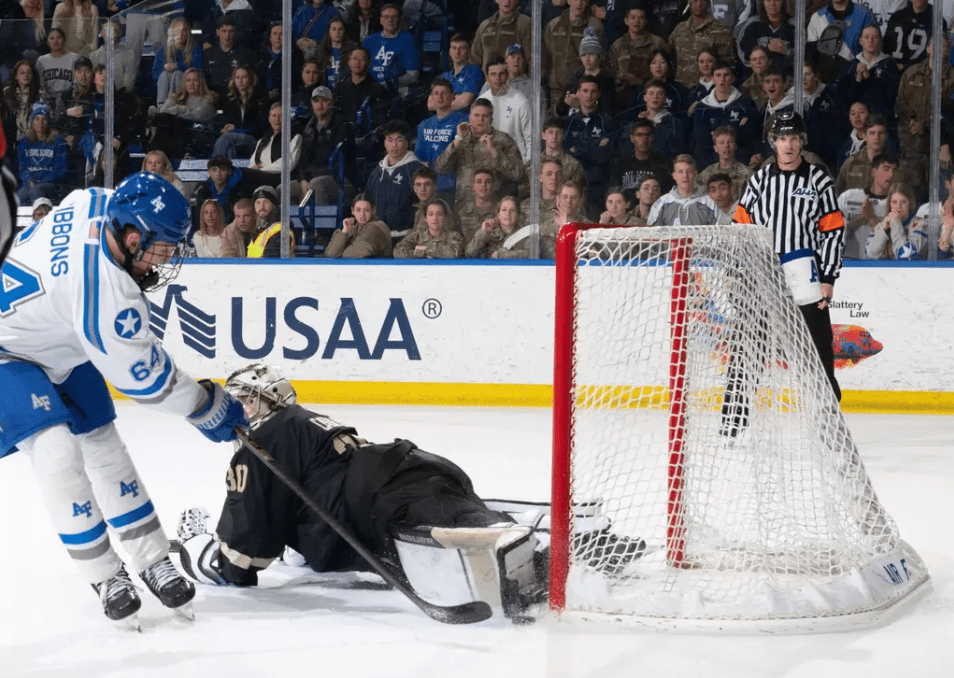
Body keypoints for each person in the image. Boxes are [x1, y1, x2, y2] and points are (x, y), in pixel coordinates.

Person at [176, 364, 640, 618]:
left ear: (262, 402)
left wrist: (199, 545)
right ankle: (588, 539)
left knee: (481, 542)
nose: (242, 410)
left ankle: (556, 556)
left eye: (246, 399)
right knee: (465, 516)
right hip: (413, 467)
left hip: (382, 495)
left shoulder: (263, 441)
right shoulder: (305, 426)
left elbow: (239, 558)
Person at [0, 172, 248, 625]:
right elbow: (151, 383)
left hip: (57, 337)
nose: (166, 258)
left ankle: (153, 558)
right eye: (162, 248)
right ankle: (105, 574)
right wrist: (207, 407)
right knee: (56, 451)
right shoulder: (103, 295)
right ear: (132, 237)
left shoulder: (98, 201)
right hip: (6, 349)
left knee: (103, 443)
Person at [726, 111, 844, 440]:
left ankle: (829, 423)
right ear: (773, 142)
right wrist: (736, 273)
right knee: (747, 349)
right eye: (782, 138)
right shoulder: (760, 179)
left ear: (802, 141)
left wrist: (829, 278)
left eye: (794, 138)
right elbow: (740, 227)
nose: (788, 145)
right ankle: (733, 424)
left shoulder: (819, 180)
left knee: (818, 352)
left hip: (805, 274)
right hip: (762, 272)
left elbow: (833, 231)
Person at [435, 97, 525, 206]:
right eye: (476, 115)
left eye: (485, 116)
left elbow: (518, 173)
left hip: (494, 209)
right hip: (465, 210)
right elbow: (441, 168)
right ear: (470, 118)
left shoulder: (504, 140)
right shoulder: (460, 139)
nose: (480, 120)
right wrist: (457, 141)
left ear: (491, 119)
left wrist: (494, 152)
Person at [689, 61, 760, 169]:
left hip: (741, 164)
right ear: (712, 78)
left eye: (726, 75)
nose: (722, 79)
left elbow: (751, 138)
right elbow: (701, 143)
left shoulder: (746, 104)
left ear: (732, 78)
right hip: (711, 166)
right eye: (718, 75)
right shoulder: (701, 108)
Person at [564, 75, 616, 219]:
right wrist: (596, 148)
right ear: (578, 93)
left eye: (593, 91)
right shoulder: (568, 123)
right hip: (572, 187)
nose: (589, 95)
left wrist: (578, 150)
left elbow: (605, 156)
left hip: (597, 188)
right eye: (585, 91)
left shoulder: (607, 121)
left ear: (598, 94)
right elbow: (566, 154)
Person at [364, 119, 423, 241]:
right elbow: (368, 202)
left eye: (399, 139)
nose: (394, 145)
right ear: (385, 143)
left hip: (408, 237)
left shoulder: (416, 170)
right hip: (380, 237)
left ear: (406, 142)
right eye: (390, 140)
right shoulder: (376, 173)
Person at [543, 0, 606, 113]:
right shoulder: (554, 25)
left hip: (582, 88)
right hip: (557, 88)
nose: (579, 3)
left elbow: (600, 57)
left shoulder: (595, 25)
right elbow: (548, 55)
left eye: (583, 0)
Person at [416, 79, 469, 203]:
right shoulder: (425, 125)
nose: (440, 97)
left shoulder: (463, 121)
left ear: (452, 96)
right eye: (436, 93)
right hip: (432, 188)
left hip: (456, 186)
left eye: (444, 93)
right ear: (432, 97)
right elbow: (421, 157)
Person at [838, 153, 898, 259]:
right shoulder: (848, 197)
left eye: (894, 170)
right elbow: (832, 232)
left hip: (877, 267)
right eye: (886, 169)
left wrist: (872, 221)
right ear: (873, 172)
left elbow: (896, 243)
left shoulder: (897, 205)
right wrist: (860, 220)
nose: (890, 175)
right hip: (848, 264)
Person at [608, 5, 668, 108]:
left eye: (641, 18)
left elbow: (667, 71)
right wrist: (622, 76)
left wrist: (641, 82)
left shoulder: (657, 43)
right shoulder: (617, 46)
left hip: (652, 97)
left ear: (645, 21)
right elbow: (611, 72)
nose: (637, 21)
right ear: (626, 21)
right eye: (633, 17)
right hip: (622, 98)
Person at [667, 0, 736, 88]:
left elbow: (727, 65)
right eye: (695, 0)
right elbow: (669, 59)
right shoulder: (679, 30)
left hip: (708, 90)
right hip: (681, 90)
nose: (699, 4)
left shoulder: (720, 30)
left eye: (702, 0)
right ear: (689, 2)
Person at [17, 101, 72, 204]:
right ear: (32, 122)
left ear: (48, 122)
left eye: (44, 119)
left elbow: (61, 171)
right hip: (30, 183)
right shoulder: (25, 142)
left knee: (35, 192)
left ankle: (42, 218)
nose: (40, 123)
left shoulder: (58, 141)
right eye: (37, 119)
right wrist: (29, 180)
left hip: (52, 184)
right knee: (21, 195)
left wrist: (40, 181)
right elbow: (22, 168)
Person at [610, 118, 674, 205]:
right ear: (632, 138)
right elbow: (614, 192)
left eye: (648, 135)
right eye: (639, 135)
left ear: (653, 137)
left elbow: (666, 194)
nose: (644, 139)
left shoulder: (663, 163)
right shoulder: (620, 163)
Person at [363, 3, 420, 99]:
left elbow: (413, 75)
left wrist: (388, 84)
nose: (390, 20)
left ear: (399, 20)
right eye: (386, 17)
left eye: (394, 17)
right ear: (381, 20)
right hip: (370, 88)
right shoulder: (370, 40)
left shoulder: (408, 39)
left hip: (395, 90)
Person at [212, 65, 268, 160]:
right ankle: (229, 172)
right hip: (232, 140)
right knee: (229, 149)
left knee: (226, 138)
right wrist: (224, 127)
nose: (240, 81)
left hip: (253, 140)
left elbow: (260, 127)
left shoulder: (260, 100)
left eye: (244, 77)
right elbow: (221, 121)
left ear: (250, 79)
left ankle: (217, 167)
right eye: (237, 77)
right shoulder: (229, 101)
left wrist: (236, 128)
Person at [481, 57, 532, 161]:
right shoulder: (481, 100)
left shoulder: (520, 101)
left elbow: (530, 137)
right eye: (493, 74)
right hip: (488, 163)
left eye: (501, 74)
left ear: (508, 75)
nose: (498, 78)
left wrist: (528, 164)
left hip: (514, 163)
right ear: (487, 78)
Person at [863, 181, 926, 260]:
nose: (898, 206)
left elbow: (905, 255)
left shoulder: (920, 223)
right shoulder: (881, 225)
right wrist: (884, 231)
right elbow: (869, 254)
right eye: (894, 202)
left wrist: (896, 223)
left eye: (903, 202)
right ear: (889, 205)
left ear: (910, 203)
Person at [648, 154, 717, 226]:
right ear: (674, 175)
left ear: (696, 174)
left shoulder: (710, 203)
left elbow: (719, 233)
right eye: (680, 172)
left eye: (689, 171)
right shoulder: (661, 203)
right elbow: (652, 234)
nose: (685, 176)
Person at [153, 17, 203, 107]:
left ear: (188, 32)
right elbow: (155, 73)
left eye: (184, 30)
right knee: (164, 74)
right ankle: (161, 105)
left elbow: (198, 71)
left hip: (187, 90)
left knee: (178, 74)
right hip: (166, 87)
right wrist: (166, 69)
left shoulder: (195, 49)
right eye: (177, 30)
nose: (180, 33)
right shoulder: (163, 50)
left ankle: (175, 104)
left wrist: (178, 66)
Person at [202, 15, 256, 99]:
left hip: (236, 98)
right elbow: (203, 79)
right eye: (224, 31)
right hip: (213, 98)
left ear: (235, 32)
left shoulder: (245, 54)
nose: (227, 36)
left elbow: (250, 81)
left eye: (230, 31)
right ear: (217, 32)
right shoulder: (208, 53)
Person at [324, 193, 393, 258]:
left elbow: (349, 255)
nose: (362, 215)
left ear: (373, 210)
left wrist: (341, 252)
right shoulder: (355, 227)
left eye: (367, 210)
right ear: (352, 211)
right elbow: (331, 253)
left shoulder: (376, 228)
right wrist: (345, 232)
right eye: (358, 210)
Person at [470, 0, 533, 72]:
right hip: (489, 80)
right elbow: (474, 59)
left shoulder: (524, 23)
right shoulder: (485, 26)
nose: (507, 1)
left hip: (515, 80)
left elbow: (532, 58)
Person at [393, 199, 464, 259]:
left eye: (439, 214)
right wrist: (419, 253)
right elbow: (397, 251)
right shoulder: (417, 236)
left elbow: (454, 253)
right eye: (431, 214)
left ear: (444, 218)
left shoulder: (453, 236)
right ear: (425, 218)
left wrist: (423, 249)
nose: (435, 218)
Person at [696, 126, 751, 202]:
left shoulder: (747, 174)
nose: (726, 146)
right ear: (715, 148)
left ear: (735, 146)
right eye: (721, 143)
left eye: (730, 142)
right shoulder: (706, 174)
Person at [836, 115, 889, 194]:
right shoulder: (851, 164)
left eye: (880, 133)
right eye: (872, 133)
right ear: (864, 136)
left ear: (886, 136)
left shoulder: (893, 167)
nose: (876, 137)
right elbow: (837, 194)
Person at [439, 34, 484, 112]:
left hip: (463, 120)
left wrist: (442, 105)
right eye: (454, 48)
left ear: (468, 51)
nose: (457, 52)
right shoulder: (444, 76)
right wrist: (455, 97)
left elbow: (464, 102)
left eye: (462, 48)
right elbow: (430, 103)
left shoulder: (474, 72)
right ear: (449, 51)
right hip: (444, 120)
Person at [36, 27, 78, 106]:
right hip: (47, 101)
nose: (55, 41)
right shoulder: (41, 61)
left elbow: (76, 85)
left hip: (68, 100)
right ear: (47, 42)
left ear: (64, 40)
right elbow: (40, 86)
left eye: (59, 38)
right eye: (52, 38)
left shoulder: (74, 58)